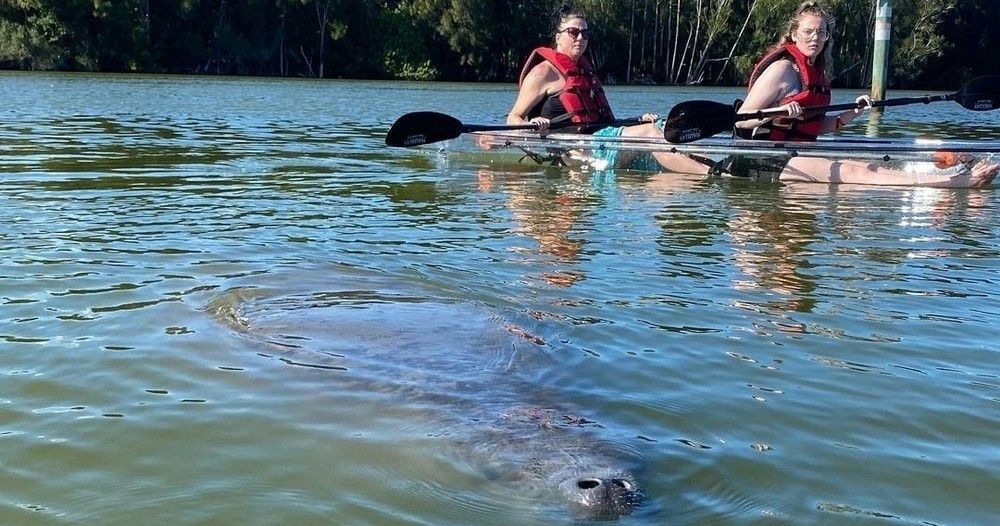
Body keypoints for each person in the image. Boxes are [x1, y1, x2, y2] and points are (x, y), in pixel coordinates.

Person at [722, 1, 997, 188]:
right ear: (794, 35)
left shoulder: (818, 73)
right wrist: (777, 112)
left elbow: (819, 127)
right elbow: (742, 121)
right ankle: (954, 183)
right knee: (857, 172)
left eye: (821, 32)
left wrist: (853, 111)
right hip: (763, 158)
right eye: (808, 32)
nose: (815, 38)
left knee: (863, 164)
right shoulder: (782, 69)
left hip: (797, 152)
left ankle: (953, 172)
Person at [506, 5, 710, 174]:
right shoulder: (543, 73)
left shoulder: (585, 71)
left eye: (585, 34)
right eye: (573, 32)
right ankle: (710, 174)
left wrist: (636, 120)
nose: (580, 38)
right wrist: (533, 123)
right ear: (558, 37)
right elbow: (513, 118)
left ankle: (712, 164)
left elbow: (601, 123)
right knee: (649, 132)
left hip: (602, 140)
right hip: (577, 152)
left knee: (661, 125)